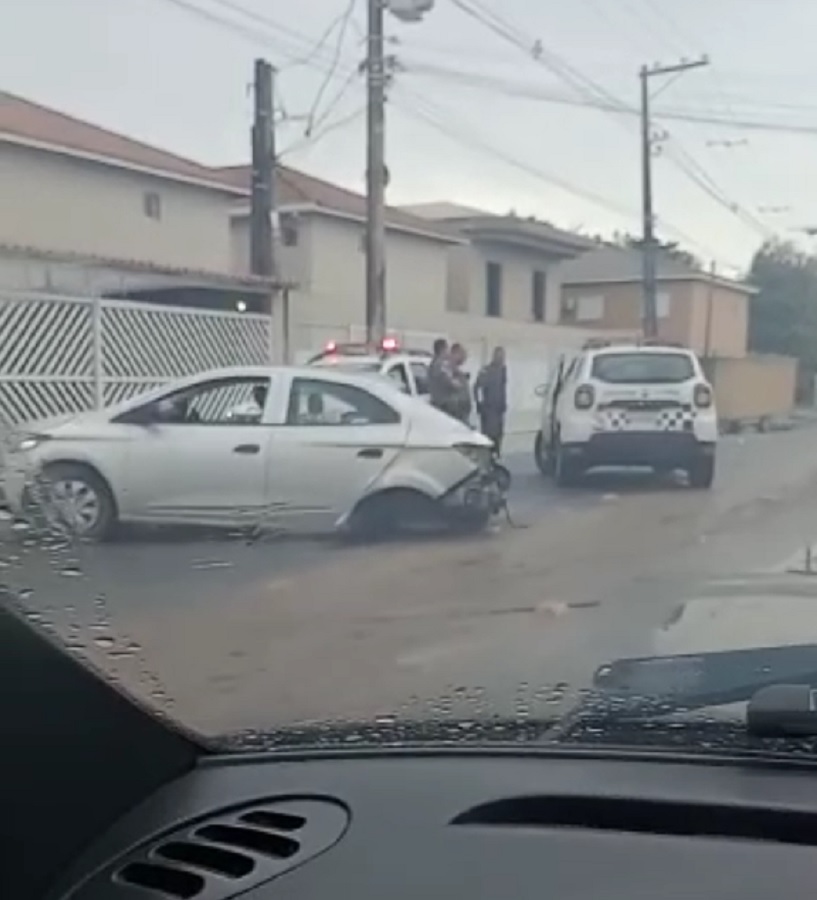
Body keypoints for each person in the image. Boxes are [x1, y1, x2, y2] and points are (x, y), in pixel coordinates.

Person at [474, 346, 508, 454]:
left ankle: (496, 453)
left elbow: (502, 388)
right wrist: (479, 404)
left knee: (498, 433)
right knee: (489, 434)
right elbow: (477, 388)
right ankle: (487, 455)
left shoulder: (503, 370)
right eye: (499, 356)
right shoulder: (486, 371)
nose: (502, 359)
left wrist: (504, 402)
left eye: (503, 357)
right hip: (488, 408)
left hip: (498, 408)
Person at [449, 342, 473, 425]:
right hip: (455, 415)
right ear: (454, 353)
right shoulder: (449, 371)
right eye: (461, 353)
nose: (464, 357)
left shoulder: (458, 372)